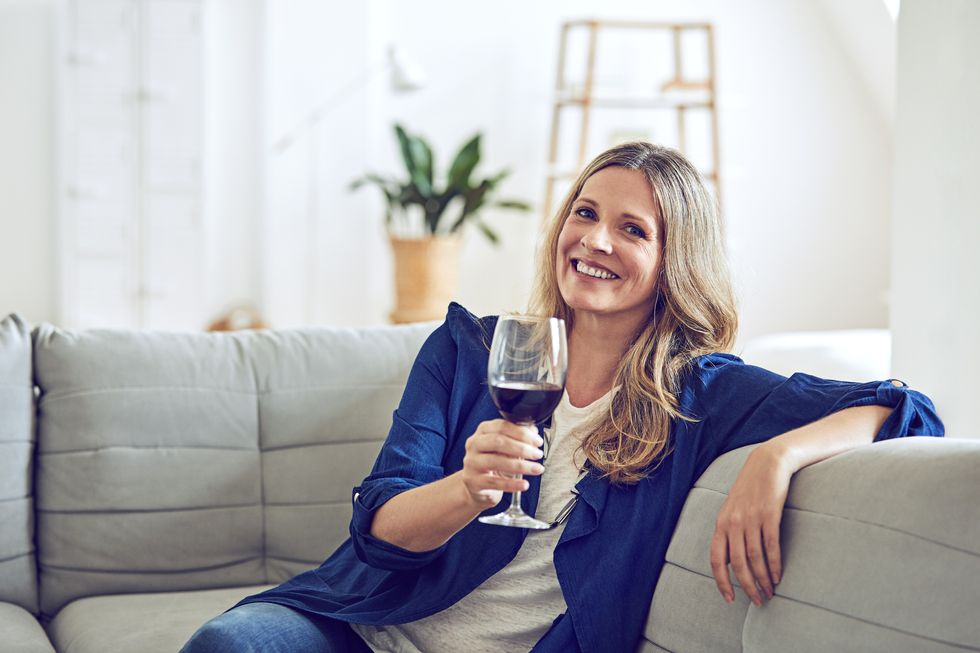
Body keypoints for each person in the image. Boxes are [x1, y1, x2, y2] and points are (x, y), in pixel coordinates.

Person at [180, 142, 943, 653]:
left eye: (631, 228)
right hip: (367, 629)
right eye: (584, 212)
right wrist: (467, 488)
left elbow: (906, 406)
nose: (596, 240)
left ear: (673, 260)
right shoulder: (469, 349)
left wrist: (778, 456)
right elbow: (378, 527)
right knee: (232, 643)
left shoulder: (700, 393)